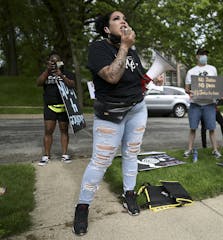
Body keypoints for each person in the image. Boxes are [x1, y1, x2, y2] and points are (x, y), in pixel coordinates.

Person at [73, 11, 148, 236]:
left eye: (124, 18)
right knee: (100, 162)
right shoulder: (98, 49)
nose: (123, 21)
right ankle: (83, 206)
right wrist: (124, 47)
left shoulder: (132, 51)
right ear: (106, 29)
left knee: (132, 154)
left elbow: (140, 77)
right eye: (116, 19)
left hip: (137, 109)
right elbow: (112, 77)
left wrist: (155, 77)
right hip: (110, 113)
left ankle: (129, 194)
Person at [36, 53, 75, 166]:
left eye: (57, 61)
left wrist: (61, 75)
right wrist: (47, 71)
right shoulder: (46, 73)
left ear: (61, 62)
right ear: (49, 62)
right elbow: (38, 83)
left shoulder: (66, 72)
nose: (54, 63)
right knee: (48, 131)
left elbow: (72, 85)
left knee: (64, 130)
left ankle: (64, 154)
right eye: (52, 62)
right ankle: (46, 155)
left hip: (64, 106)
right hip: (50, 106)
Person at [184, 48, 221, 159]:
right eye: (202, 54)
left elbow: (216, 86)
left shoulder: (212, 69)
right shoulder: (191, 71)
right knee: (193, 128)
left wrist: (219, 95)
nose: (204, 56)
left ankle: (215, 150)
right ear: (197, 56)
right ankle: (189, 149)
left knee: (212, 128)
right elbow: (186, 88)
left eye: (206, 54)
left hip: (209, 104)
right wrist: (190, 91)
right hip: (195, 104)